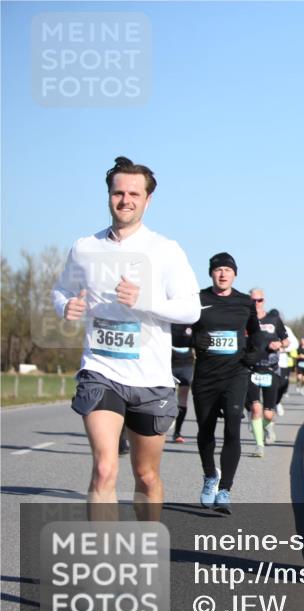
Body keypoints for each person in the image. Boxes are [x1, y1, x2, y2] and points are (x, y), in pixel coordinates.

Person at [53, 156, 201, 520]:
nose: (125, 200)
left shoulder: (166, 250)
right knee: (105, 468)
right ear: (109, 196)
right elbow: (60, 291)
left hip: (151, 379)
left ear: (148, 200)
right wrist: (66, 307)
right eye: (118, 192)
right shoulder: (84, 247)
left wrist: (146, 302)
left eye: (134, 193)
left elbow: (191, 310)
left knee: (146, 475)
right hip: (101, 371)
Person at [190, 252, 263, 514]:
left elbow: (256, 332)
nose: (223, 274)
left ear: (235, 274)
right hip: (206, 376)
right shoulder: (198, 299)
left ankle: (225, 490)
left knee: (233, 427)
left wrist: (253, 356)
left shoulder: (245, 302)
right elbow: (180, 328)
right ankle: (211, 476)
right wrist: (194, 340)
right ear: (211, 273)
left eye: (227, 270)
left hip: (236, 373)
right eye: (218, 270)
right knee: (205, 430)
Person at [244, 289, 289, 457]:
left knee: (268, 413)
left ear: (264, 301)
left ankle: (266, 425)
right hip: (250, 369)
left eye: (260, 300)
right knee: (256, 408)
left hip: (270, 369)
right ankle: (259, 445)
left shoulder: (273, 319)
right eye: (253, 300)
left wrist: (280, 345)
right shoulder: (244, 319)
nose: (257, 303)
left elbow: (286, 340)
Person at [170, 323, 195, 442]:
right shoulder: (170, 322)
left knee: (183, 399)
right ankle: (161, 428)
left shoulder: (191, 322)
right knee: (166, 398)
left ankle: (177, 432)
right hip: (169, 365)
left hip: (186, 365)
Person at [275, 321, 295, 416]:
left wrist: (284, 349)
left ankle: (277, 402)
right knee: (272, 385)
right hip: (269, 362)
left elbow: (295, 344)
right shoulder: (265, 327)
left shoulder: (286, 329)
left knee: (283, 384)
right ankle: (270, 406)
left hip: (282, 362)